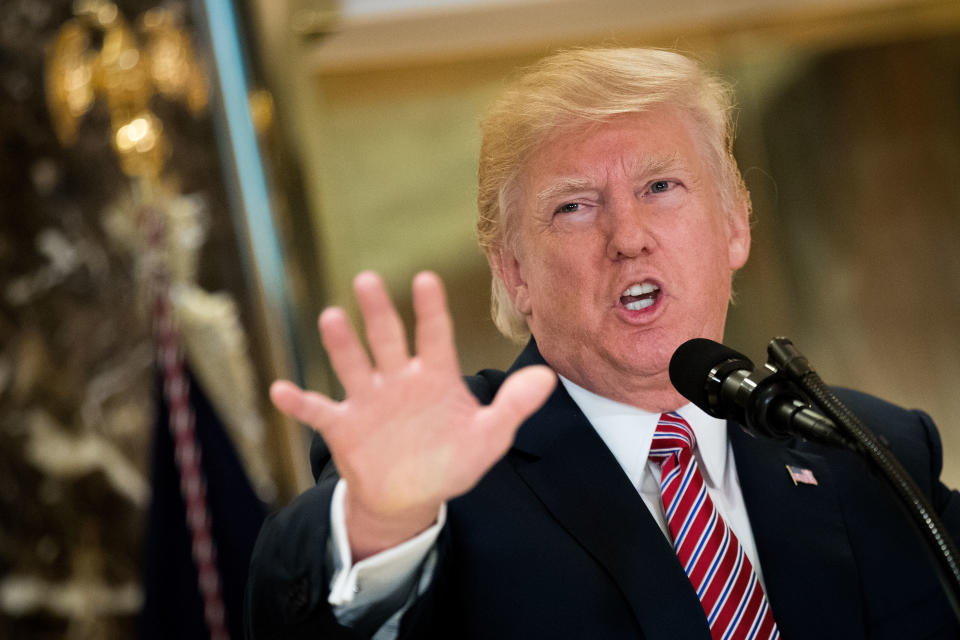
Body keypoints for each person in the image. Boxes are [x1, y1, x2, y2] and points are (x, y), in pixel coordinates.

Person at [244, 47, 960, 639]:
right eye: (575, 206)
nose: (628, 237)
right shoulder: (446, 467)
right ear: (514, 271)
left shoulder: (870, 452)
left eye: (660, 186)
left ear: (735, 221)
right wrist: (381, 526)